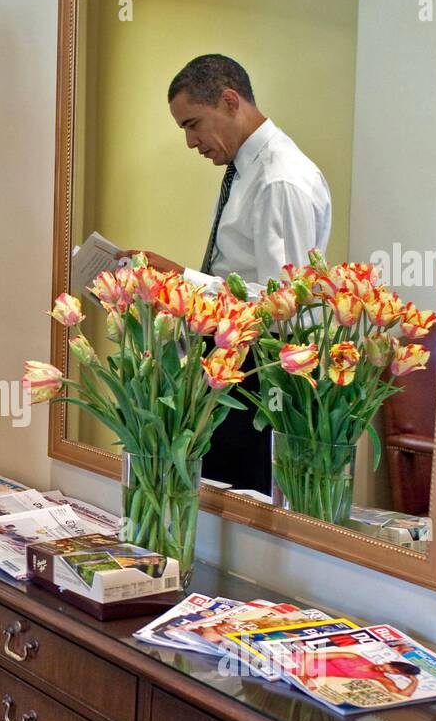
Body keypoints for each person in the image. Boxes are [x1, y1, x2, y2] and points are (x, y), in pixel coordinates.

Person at [121, 54, 332, 493]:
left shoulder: (279, 180)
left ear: (230, 101)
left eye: (193, 124)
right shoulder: (247, 170)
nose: (191, 142)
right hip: (232, 362)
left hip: (259, 374)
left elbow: (285, 307)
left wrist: (184, 279)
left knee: (239, 497)